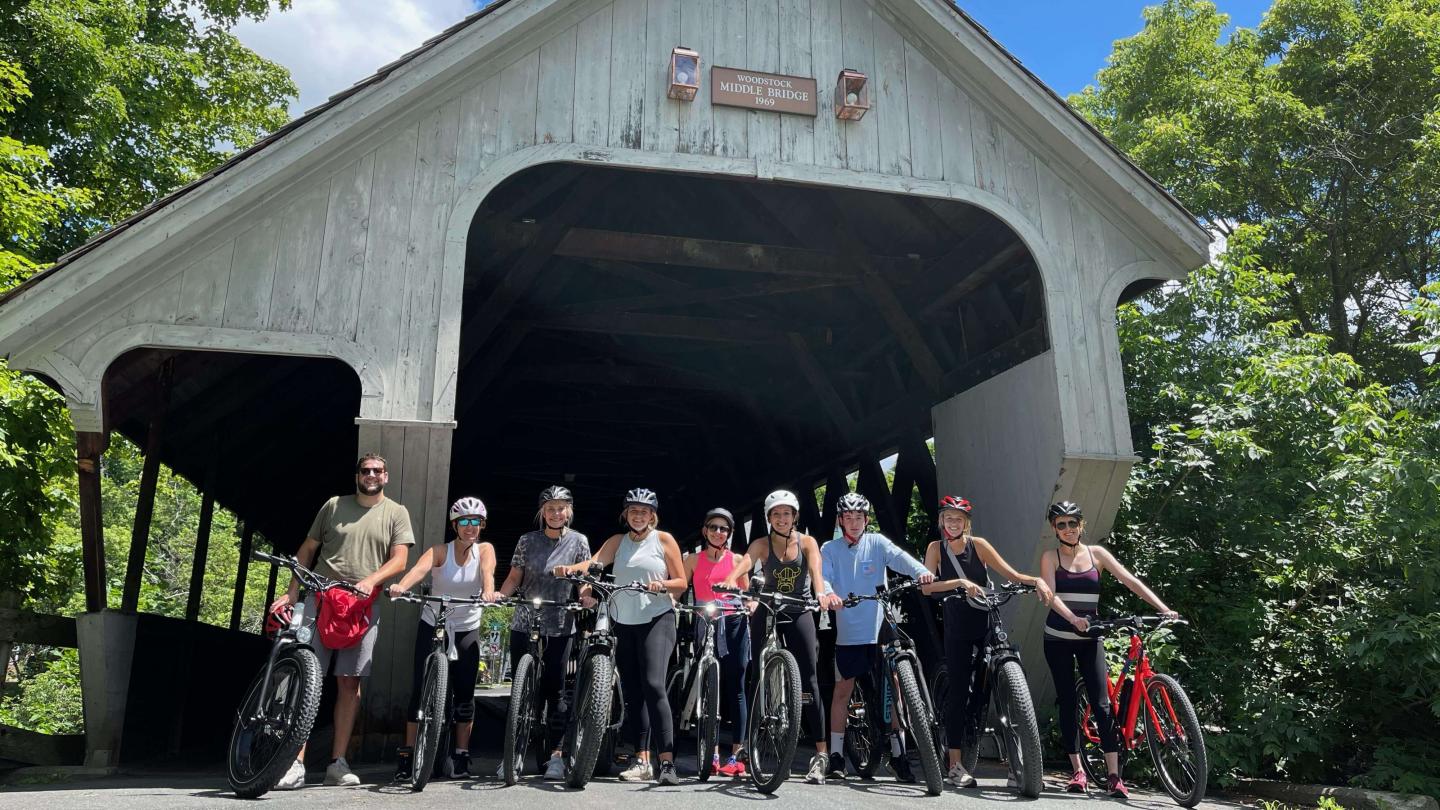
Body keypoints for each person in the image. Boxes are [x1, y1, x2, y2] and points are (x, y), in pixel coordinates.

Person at [269, 452, 415, 789]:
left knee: (350, 682)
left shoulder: (396, 512)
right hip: (320, 597)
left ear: (386, 476)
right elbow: (307, 550)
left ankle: (338, 763)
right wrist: (292, 593)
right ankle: (295, 761)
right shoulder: (333, 505)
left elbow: (400, 560)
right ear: (357, 476)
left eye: (378, 470)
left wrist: (371, 580)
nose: (372, 475)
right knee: (306, 677)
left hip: (362, 604)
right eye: (366, 471)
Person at [1040, 500, 1179, 799]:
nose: (1067, 528)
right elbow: (1050, 595)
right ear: (1054, 528)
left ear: (1081, 525)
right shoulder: (1050, 558)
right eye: (1061, 524)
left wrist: (1163, 607)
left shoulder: (1097, 554)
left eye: (1072, 523)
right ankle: (1078, 770)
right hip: (1059, 637)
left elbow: (1130, 580)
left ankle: (1114, 775)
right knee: (1067, 701)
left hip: (1091, 637)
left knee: (1102, 705)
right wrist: (1073, 618)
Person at [919, 496, 1053, 789]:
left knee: (1009, 678)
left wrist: (1036, 581)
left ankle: (1018, 763)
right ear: (942, 521)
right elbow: (927, 588)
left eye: (959, 519)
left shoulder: (978, 545)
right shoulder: (935, 549)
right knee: (958, 693)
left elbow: (1013, 574)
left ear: (966, 523)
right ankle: (955, 765)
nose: (953, 523)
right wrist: (959, 583)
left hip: (986, 621)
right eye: (948, 518)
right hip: (957, 628)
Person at [556, 488, 686, 785]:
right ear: (625, 515)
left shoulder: (663, 540)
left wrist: (662, 585)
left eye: (644, 511)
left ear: (652, 515)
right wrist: (569, 570)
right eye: (633, 510)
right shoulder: (618, 541)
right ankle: (642, 760)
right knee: (633, 692)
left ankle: (666, 762)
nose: (638, 515)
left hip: (657, 618)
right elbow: (593, 563)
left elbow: (681, 583)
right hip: (623, 619)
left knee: (654, 684)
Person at [720, 489, 836, 784]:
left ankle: (821, 754)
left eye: (786, 513)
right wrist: (731, 581)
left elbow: (816, 571)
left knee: (809, 679)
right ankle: (747, 744)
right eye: (776, 514)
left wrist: (821, 593)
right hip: (768, 608)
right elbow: (743, 564)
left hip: (798, 609)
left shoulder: (807, 542)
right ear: (769, 518)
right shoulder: (761, 544)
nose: (781, 518)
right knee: (755, 674)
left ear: (795, 516)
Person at [819, 492, 934, 782]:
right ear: (840, 520)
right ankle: (835, 756)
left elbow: (900, 559)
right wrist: (829, 593)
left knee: (895, 690)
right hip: (849, 630)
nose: (854, 522)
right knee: (843, 690)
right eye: (849, 517)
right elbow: (824, 576)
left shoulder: (878, 542)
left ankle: (899, 756)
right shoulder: (830, 548)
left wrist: (922, 571)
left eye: (859, 517)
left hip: (879, 627)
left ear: (866, 520)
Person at [388, 496, 497, 781]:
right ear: (455, 525)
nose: (470, 527)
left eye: (476, 522)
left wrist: (488, 591)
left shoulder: (484, 549)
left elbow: (488, 573)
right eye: (464, 522)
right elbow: (419, 570)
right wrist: (401, 586)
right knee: (419, 687)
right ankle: (408, 755)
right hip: (434, 622)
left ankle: (461, 755)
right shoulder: (440, 550)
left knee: (464, 694)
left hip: (466, 627)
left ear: (481, 525)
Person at [494, 485, 592, 781]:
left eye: (561, 508)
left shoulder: (579, 542)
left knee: (555, 691)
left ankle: (556, 756)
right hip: (525, 620)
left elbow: (583, 580)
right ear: (542, 512)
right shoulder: (527, 541)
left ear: (569, 511)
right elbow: (514, 576)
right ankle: (511, 755)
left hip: (561, 622)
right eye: (550, 508)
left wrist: (586, 595)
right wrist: (500, 596)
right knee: (521, 691)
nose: (555, 513)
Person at [682, 507, 750, 777]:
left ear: (730, 533)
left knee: (737, 686)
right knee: (711, 687)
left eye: (723, 529)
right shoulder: (692, 560)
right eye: (713, 527)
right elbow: (678, 587)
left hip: (733, 623)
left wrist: (752, 604)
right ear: (705, 531)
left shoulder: (736, 561)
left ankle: (736, 755)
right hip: (706, 621)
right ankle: (711, 752)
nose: (718, 532)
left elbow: (748, 593)